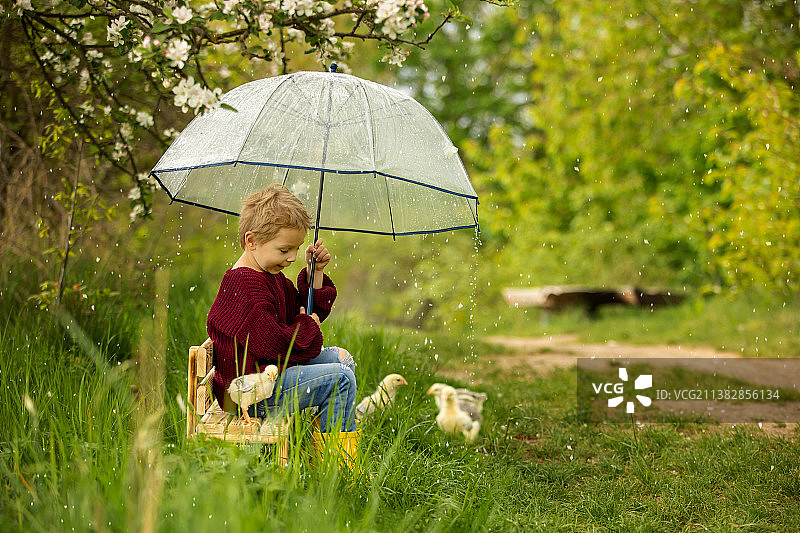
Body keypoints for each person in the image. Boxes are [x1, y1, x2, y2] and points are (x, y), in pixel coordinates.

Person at [207, 184, 358, 441]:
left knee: (343, 361)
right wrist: (307, 325)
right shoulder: (243, 286)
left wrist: (315, 272)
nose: (292, 258)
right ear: (251, 241)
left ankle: (322, 436)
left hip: (273, 372)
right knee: (340, 378)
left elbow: (304, 308)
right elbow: (276, 343)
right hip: (252, 395)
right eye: (284, 250)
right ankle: (336, 462)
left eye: (297, 249)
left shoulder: (268, 276)